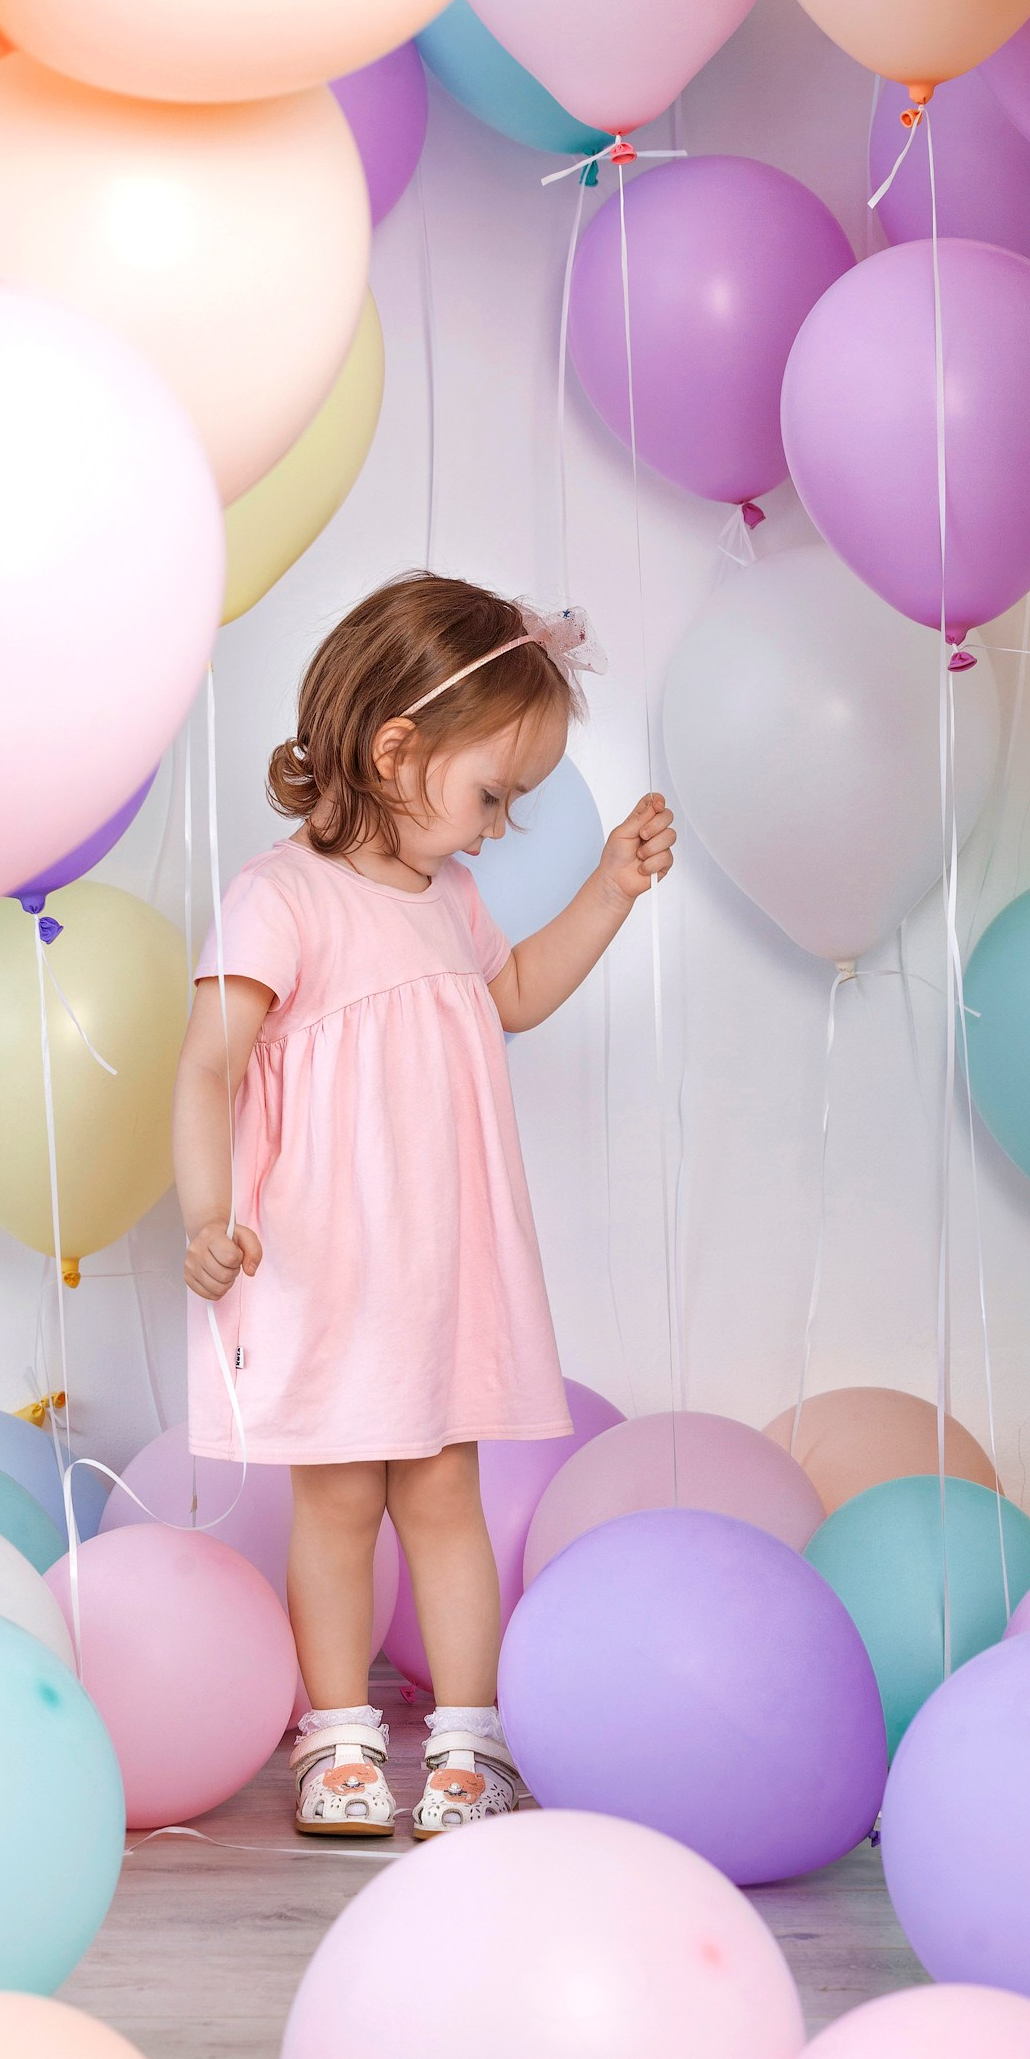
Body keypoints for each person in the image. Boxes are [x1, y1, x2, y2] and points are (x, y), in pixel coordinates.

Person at [172, 571, 673, 1841]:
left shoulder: (450, 901)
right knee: (339, 1502)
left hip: (438, 1269)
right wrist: (206, 1213)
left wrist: (609, 888)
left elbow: (515, 998)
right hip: (324, 1266)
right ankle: (338, 1736)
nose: (501, 827)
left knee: (445, 1495)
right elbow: (209, 1062)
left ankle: (467, 1739)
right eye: (493, 794)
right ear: (397, 749)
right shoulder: (283, 896)